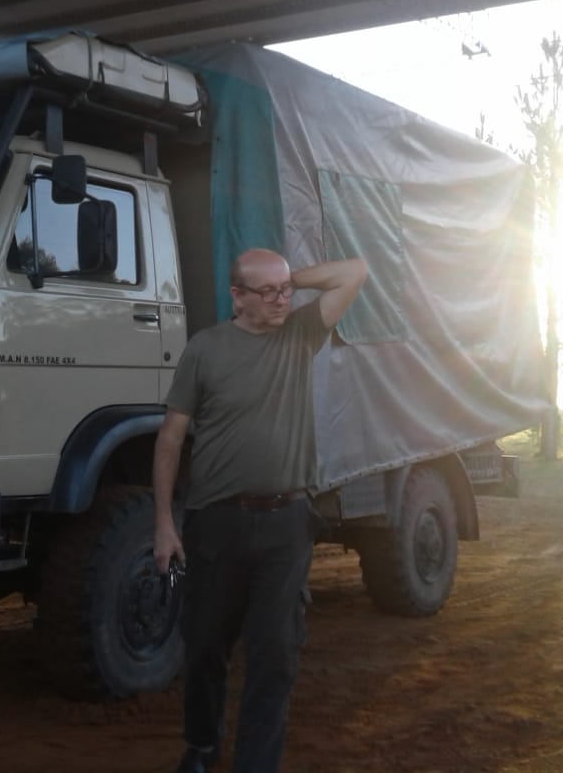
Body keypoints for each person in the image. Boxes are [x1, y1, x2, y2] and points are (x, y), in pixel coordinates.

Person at [153, 247, 367, 773]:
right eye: (266, 292)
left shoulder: (300, 333)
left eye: (285, 291)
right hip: (216, 523)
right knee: (205, 646)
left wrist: (285, 276)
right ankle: (201, 747)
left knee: (275, 655)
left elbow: (355, 272)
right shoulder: (206, 349)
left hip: (287, 524)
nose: (281, 300)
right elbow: (170, 438)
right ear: (236, 297)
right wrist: (163, 523)